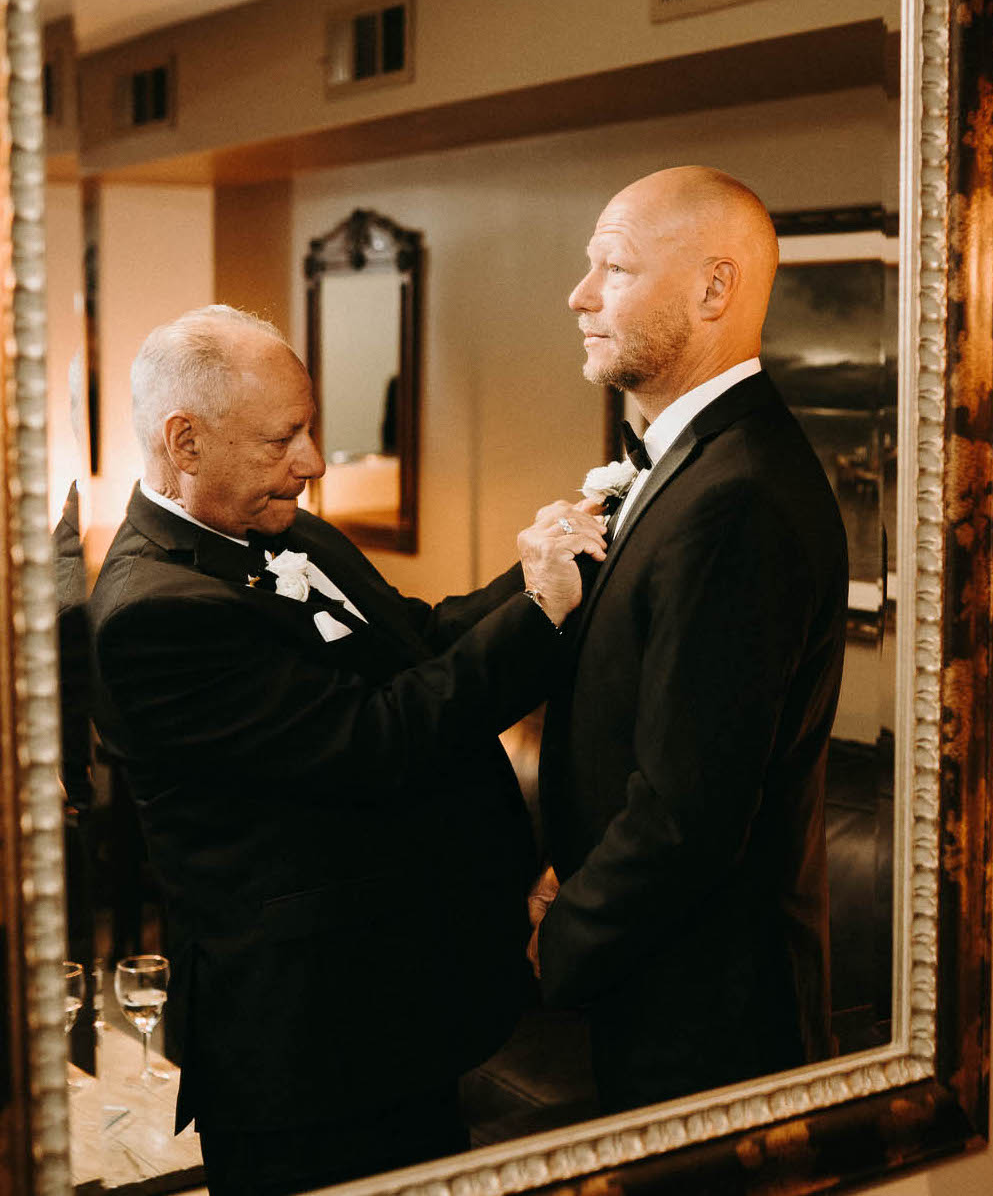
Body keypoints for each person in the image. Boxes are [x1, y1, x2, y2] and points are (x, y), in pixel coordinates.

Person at [86, 305, 605, 1195]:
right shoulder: (152, 614)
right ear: (185, 441)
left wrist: (536, 574)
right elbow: (375, 739)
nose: (315, 462)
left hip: (399, 1011)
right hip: (308, 1050)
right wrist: (543, 617)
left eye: (311, 428)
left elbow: (419, 635)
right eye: (283, 437)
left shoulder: (285, 523)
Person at [530, 166, 848, 1112]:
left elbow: (688, 812)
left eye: (614, 268)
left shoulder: (739, 495)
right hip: (664, 981)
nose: (579, 296)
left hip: (715, 1013)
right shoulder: (693, 464)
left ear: (715, 289)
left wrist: (563, 932)